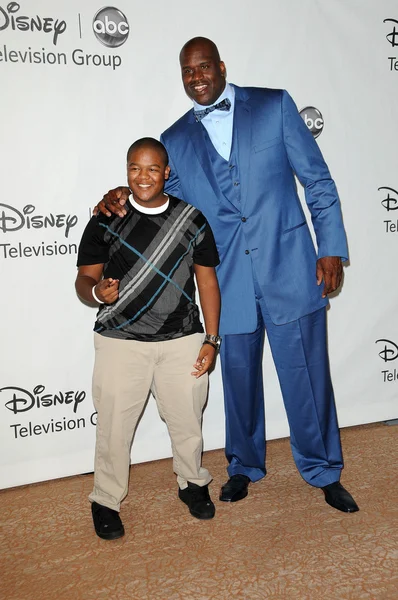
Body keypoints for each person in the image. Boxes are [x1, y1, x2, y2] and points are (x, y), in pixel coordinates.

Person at [96, 38, 359, 514]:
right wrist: (117, 196)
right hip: (227, 280)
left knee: (307, 376)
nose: (196, 77)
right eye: (186, 71)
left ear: (220, 67)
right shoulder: (173, 140)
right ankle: (243, 467)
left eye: (203, 67)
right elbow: (157, 202)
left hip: (291, 266)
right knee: (238, 381)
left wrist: (332, 250)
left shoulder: (274, 105)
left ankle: (324, 470)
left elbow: (317, 181)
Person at [76, 137, 221, 540]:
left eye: (152, 169)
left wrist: (212, 339)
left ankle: (192, 484)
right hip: (121, 341)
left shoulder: (191, 219)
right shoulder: (107, 217)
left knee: (188, 420)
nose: (143, 177)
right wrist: (94, 293)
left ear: (166, 172)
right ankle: (105, 500)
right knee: (114, 428)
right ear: (126, 171)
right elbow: (84, 278)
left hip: (182, 340)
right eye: (135, 168)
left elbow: (207, 282)